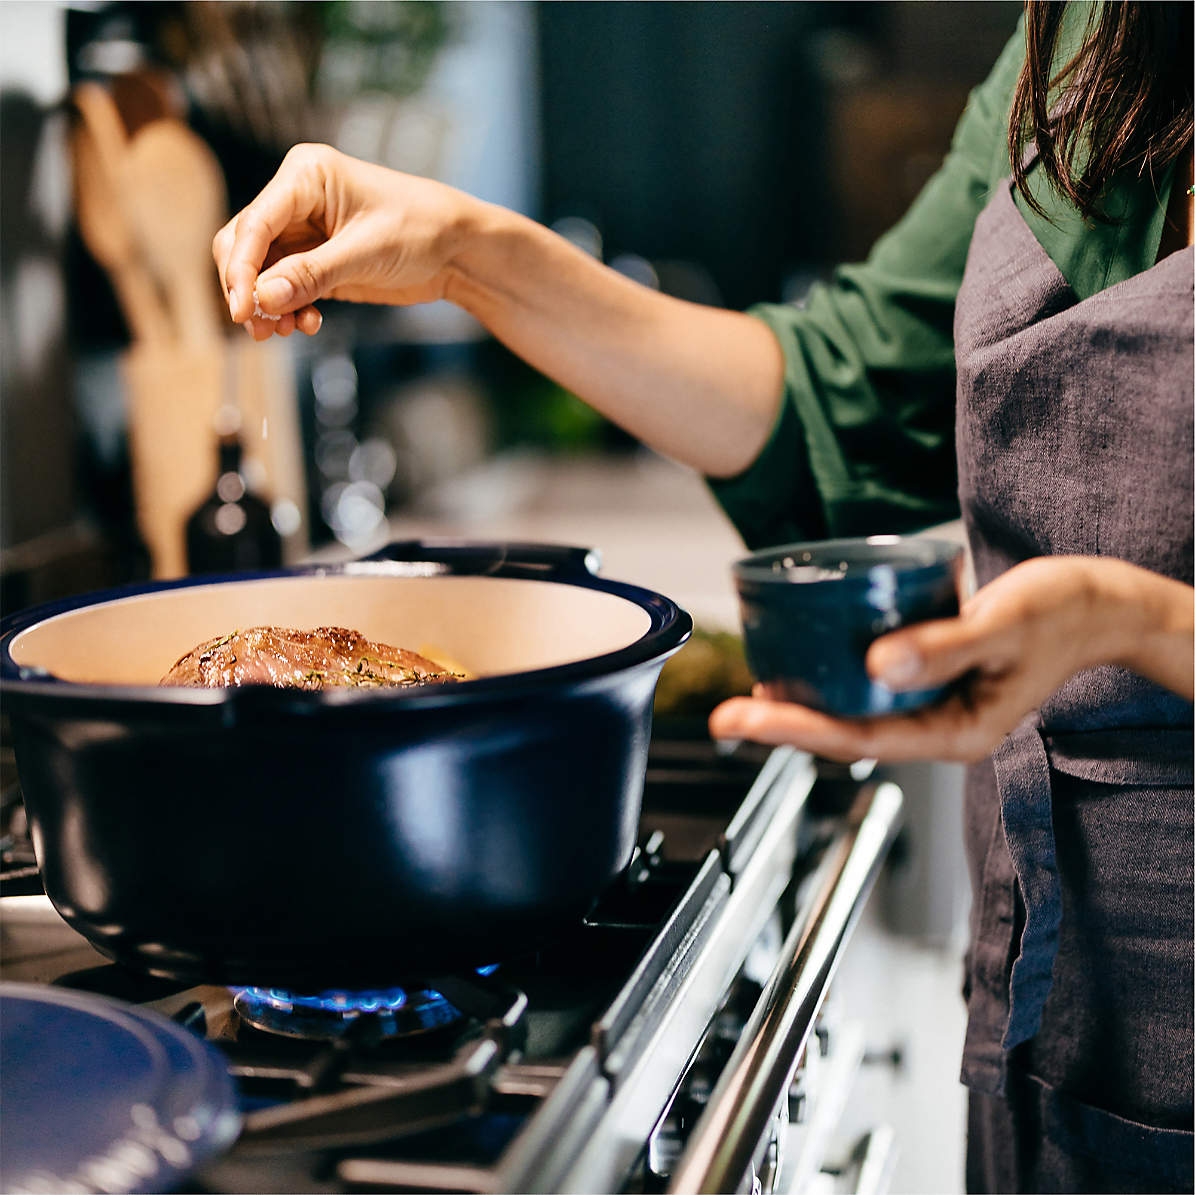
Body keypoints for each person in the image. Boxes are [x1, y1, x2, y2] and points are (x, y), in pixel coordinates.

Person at [213, 2, 1193, 1190]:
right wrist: (472, 251)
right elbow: (836, 391)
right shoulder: (1089, 30)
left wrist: (1141, 624)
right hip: (1065, 987)